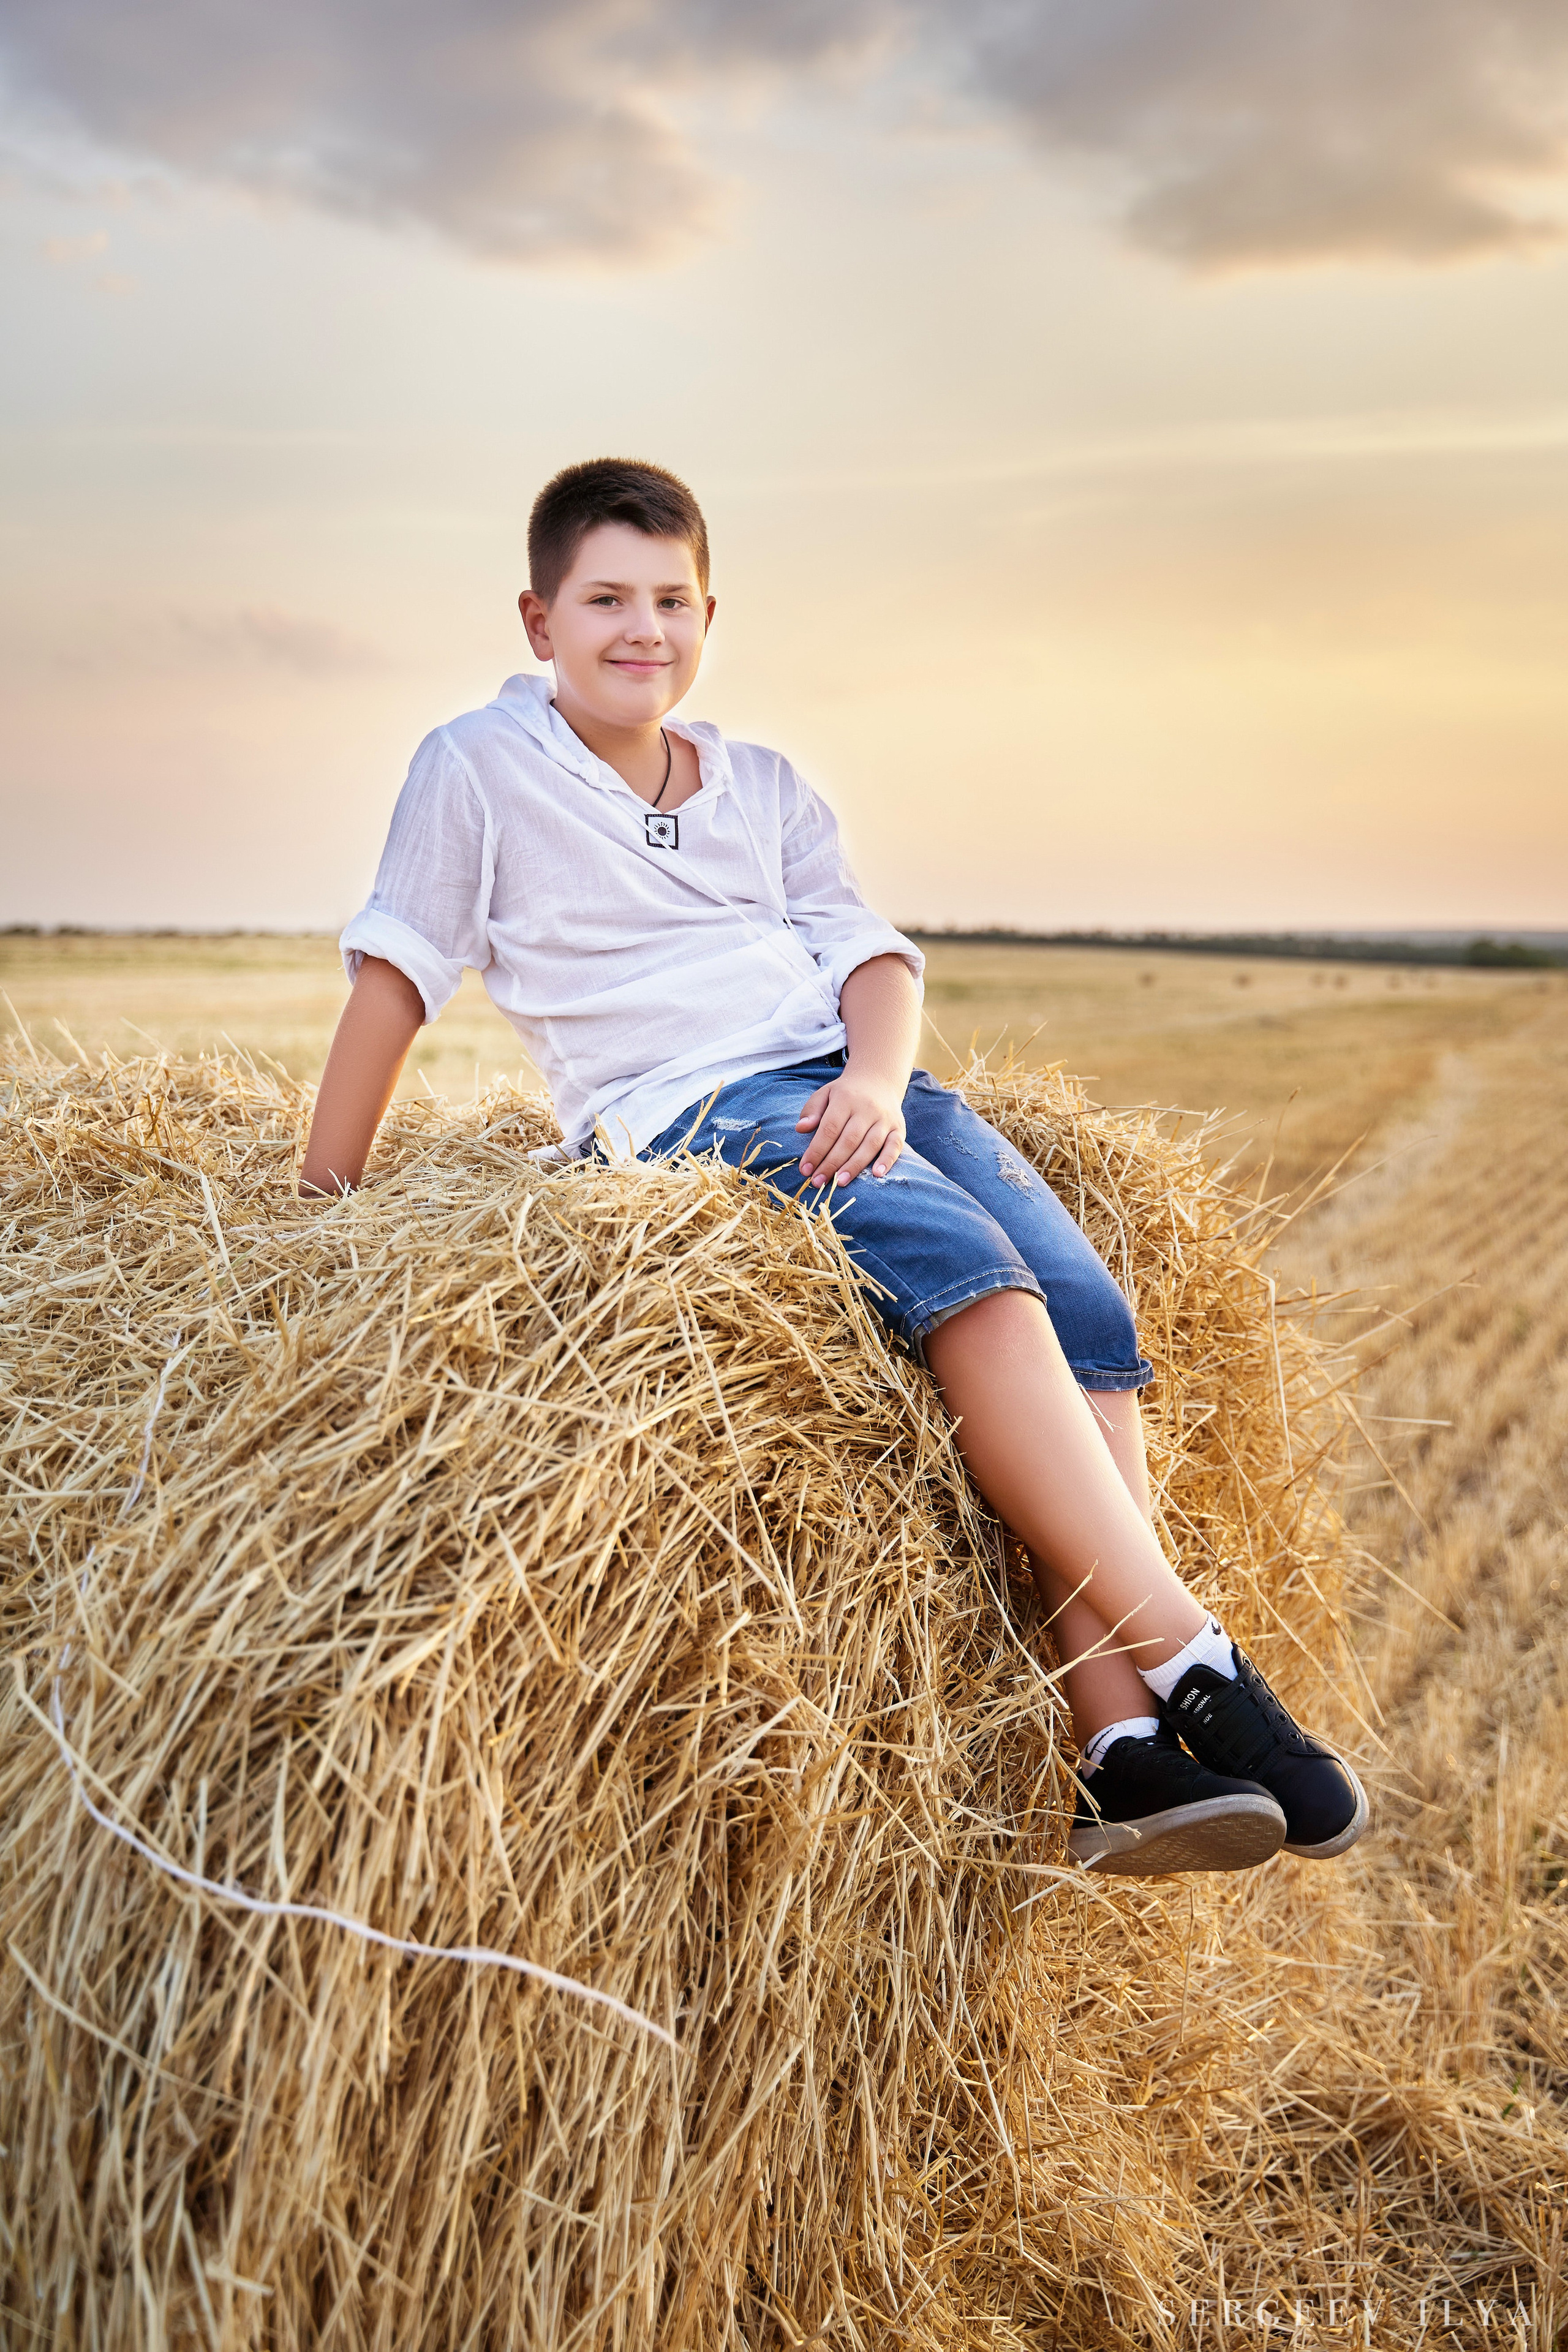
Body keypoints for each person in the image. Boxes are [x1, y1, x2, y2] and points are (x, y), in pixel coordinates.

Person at [302, 457, 1368, 1879]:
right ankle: (1195, 1662)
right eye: (606, 598)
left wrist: (874, 1080)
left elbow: (869, 955)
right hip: (682, 1104)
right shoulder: (478, 768)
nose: (643, 630)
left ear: (708, 612)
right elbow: (396, 979)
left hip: (854, 1081)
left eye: (671, 600)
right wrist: (316, 1216)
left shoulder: (763, 782)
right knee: (968, 1280)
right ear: (537, 618)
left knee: (1089, 1314)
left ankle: (1114, 1748)